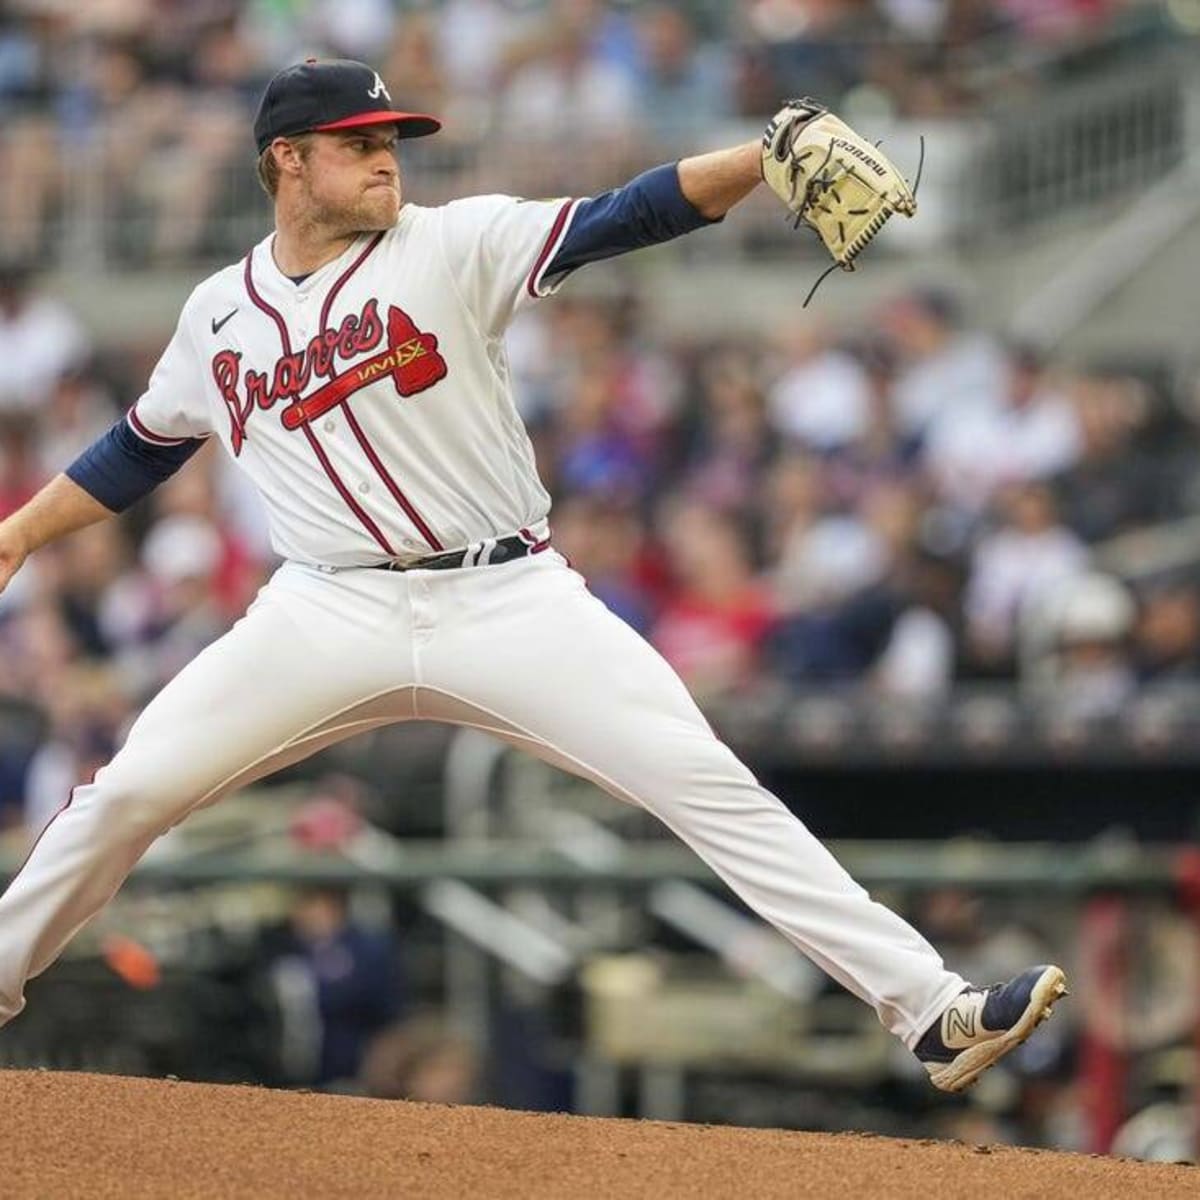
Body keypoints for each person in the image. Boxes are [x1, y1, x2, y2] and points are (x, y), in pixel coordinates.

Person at [0, 58, 1065, 1094]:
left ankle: (928, 1008)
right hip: (326, 604)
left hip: (507, 594)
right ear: (286, 160)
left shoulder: (454, 243)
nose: (387, 160)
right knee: (128, 792)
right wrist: (24, 533)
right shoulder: (216, 314)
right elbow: (141, 445)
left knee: (704, 782)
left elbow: (624, 215)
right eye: (359, 145)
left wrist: (759, 156)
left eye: (393, 142)